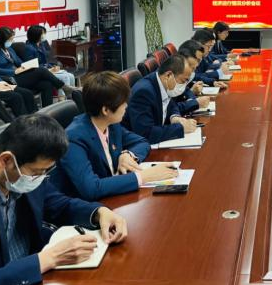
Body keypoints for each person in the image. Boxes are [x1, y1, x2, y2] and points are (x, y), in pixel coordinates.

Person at [0, 113, 128, 285]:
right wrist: (47, 259)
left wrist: (99, 213)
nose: (40, 178)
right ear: (6, 160)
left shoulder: (22, 174)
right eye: (37, 172)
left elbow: (59, 205)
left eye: (45, 171)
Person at [52, 71, 178, 200]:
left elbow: (142, 142)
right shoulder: (73, 138)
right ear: (106, 110)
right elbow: (91, 188)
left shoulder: (111, 124)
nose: (126, 106)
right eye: (123, 103)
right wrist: (143, 176)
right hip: (87, 206)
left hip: (113, 196)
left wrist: (127, 155)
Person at [0, 27, 73, 107]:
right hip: (9, 79)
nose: (12, 41)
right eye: (10, 39)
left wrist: (26, 66)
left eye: (12, 39)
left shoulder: (9, 49)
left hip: (20, 75)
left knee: (47, 84)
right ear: (2, 39)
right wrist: (14, 71)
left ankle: (47, 109)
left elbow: (19, 62)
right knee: (41, 70)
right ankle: (63, 87)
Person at [122, 54, 197, 144]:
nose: (184, 86)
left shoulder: (164, 84)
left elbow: (171, 104)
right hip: (136, 146)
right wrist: (181, 128)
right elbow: (146, 133)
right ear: (168, 75)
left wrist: (175, 117)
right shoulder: (144, 92)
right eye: (183, 81)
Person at [24, 25, 77, 99]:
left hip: (47, 69)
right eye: (42, 34)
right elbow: (32, 65)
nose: (44, 35)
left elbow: (49, 58)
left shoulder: (42, 44)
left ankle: (72, 98)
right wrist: (48, 68)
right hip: (39, 72)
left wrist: (53, 65)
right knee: (65, 77)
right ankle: (62, 100)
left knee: (71, 76)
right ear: (36, 35)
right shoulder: (29, 48)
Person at [175, 40, 212, 115]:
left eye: (199, 61)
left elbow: (186, 90)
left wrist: (193, 98)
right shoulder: (172, 73)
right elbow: (169, 109)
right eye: (197, 60)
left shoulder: (184, 70)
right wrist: (194, 103)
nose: (197, 65)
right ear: (185, 57)